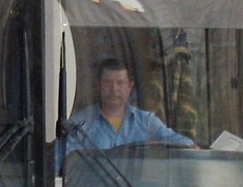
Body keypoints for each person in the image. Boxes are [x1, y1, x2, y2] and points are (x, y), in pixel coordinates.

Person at [63, 57, 194, 153]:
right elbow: (64, 163)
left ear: (130, 87)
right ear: (98, 86)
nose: (114, 89)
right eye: (108, 83)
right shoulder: (79, 124)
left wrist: (193, 147)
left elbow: (178, 142)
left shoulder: (146, 122)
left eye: (120, 83)